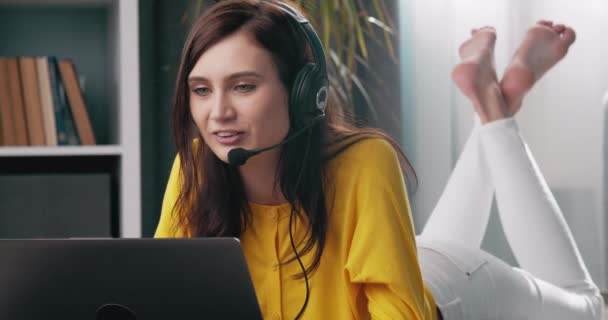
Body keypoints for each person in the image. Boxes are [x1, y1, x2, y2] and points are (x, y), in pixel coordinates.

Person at [154, 0, 604, 319]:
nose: (218, 113)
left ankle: (494, 102)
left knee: (587, 306)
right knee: (415, 260)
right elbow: (162, 297)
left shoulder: (364, 161)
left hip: (457, 292)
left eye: (244, 86)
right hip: (398, 270)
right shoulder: (195, 166)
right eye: (201, 90)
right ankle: (494, 99)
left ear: (303, 92)